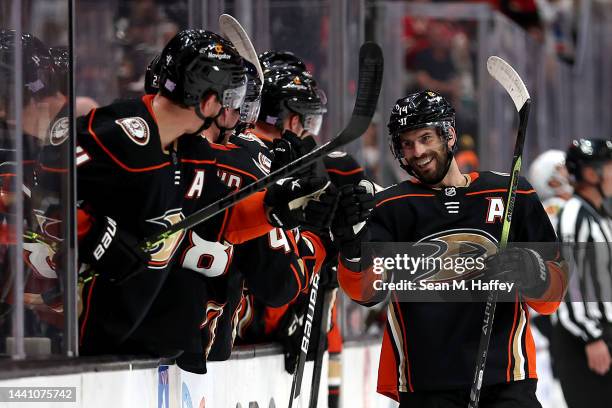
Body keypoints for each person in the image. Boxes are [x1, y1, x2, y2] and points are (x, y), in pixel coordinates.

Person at [74, 29, 329, 356]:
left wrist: (277, 204)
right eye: (234, 101)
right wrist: (91, 231)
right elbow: (39, 185)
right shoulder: (119, 129)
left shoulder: (192, 150)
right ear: (209, 101)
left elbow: (223, 215)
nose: (238, 118)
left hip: (126, 344)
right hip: (75, 341)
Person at [332, 90, 568, 407]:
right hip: (427, 385)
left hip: (506, 379)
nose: (417, 151)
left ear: (449, 135)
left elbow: (552, 297)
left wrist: (535, 273)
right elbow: (366, 292)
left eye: (426, 138)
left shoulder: (511, 192)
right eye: (407, 143)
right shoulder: (389, 206)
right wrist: (351, 248)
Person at [552, 138, 612, 408]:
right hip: (584, 340)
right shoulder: (574, 216)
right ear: (591, 173)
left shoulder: (599, 215)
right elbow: (568, 285)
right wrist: (592, 337)